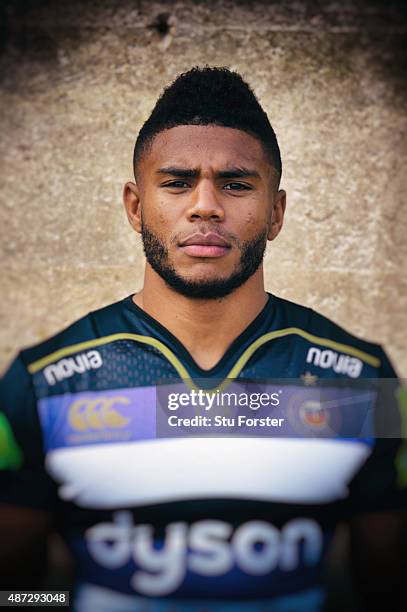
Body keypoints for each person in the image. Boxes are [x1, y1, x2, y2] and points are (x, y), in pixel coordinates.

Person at [0, 66, 404, 612]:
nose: (205, 205)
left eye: (236, 183)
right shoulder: (42, 382)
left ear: (276, 212)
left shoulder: (362, 381)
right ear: (135, 207)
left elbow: (384, 593)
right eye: (176, 182)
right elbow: (15, 594)